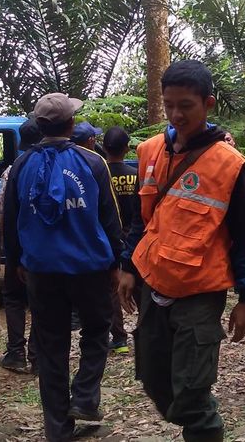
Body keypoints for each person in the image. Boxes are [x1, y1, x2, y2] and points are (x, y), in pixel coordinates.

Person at [115, 60, 245, 442]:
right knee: (153, 379)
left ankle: (202, 429)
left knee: (193, 394)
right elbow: (140, 219)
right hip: (153, 283)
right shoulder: (148, 152)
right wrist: (128, 265)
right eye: (169, 104)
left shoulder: (229, 164)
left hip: (200, 290)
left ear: (208, 104)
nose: (176, 114)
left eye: (186, 105)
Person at [3, 93, 123, 442]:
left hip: (42, 270)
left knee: (51, 345)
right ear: (71, 124)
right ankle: (85, 396)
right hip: (89, 268)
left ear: (39, 126)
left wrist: (17, 263)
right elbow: (109, 218)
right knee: (97, 331)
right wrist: (116, 262)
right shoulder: (92, 162)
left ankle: (58, 428)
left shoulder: (21, 166)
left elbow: (11, 223)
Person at [0, 118, 42, 374]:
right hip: (41, 247)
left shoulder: (13, 170)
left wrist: (9, 249)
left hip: (18, 246)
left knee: (13, 298)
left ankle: (15, 352)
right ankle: (36, 355)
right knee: (38, 298)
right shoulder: (53, 166)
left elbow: (1, 215)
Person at [103, 126, 140, 354]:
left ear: (104, 147)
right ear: (127, 148)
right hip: (135, 236)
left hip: (108, 238)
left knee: (112, 287)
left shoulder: (99, 174)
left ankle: (119, 338)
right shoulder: (135, 174)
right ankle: (144, 331)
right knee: (140, 284)